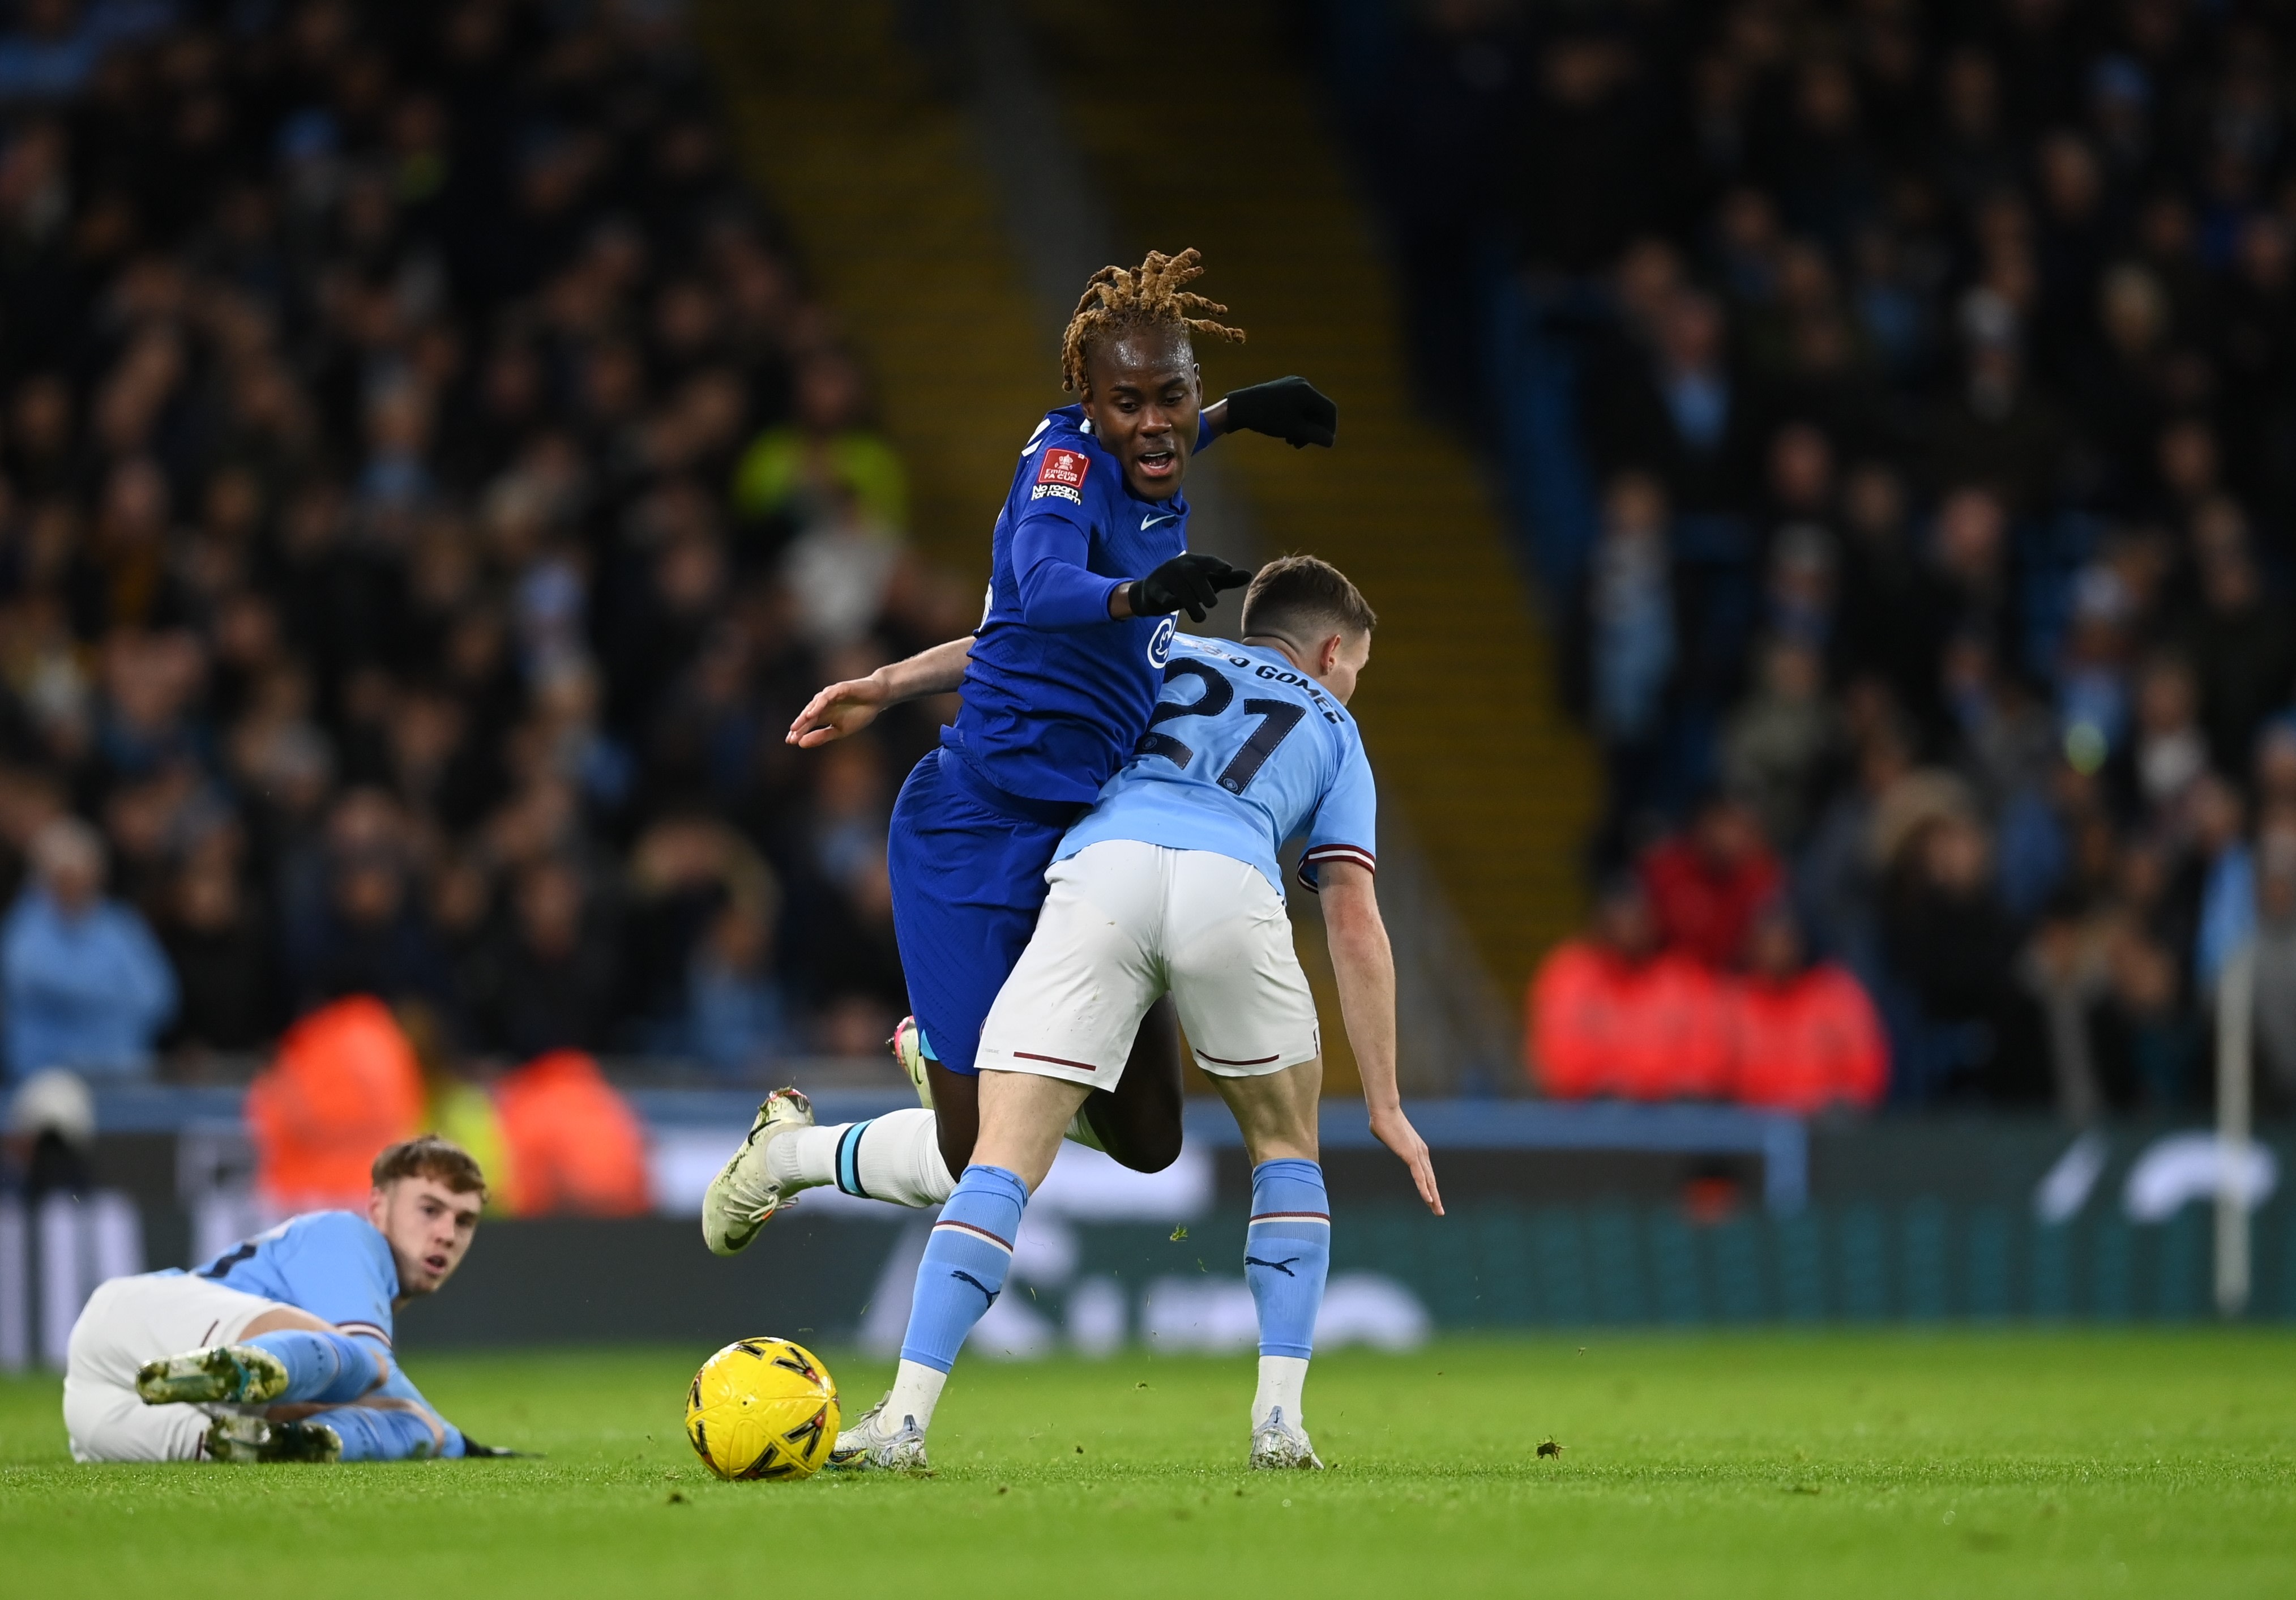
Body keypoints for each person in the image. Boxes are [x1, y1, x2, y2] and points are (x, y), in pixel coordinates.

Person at [700, 249, 1339, 1247]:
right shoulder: (1066, 469)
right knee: (977, 1155)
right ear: (1087, 400)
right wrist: (1139, 595)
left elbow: (1012, 626)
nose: (1156, 421)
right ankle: (786, 1155)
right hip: (979, 832)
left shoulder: (1146, 456)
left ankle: (1003, 1065)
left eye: (1175, 395)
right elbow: (1042, 587)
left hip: (1093, 835)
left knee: (1153, 1137)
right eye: (1127, 401)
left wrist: (1244, 412)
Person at [819, 557, 1441, 1474]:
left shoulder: (1161, 647)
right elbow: (1352, 916)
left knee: (1001, 1157)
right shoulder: (1337, 727)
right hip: (1232, 884)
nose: (1351, 682)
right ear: (1334, 651)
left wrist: (886, 682)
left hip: (1103, 869)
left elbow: (1012, 652)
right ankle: (1280, 1423)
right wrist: (1385, 1101)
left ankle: (904, 1420)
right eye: (1357, 667)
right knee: (1284, 1147)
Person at [62, 1135, 510, 1465]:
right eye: (429, 1209)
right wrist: (453, 1440)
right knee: (371, 1371)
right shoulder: (347, 1235)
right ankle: (238, 1366)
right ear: (378, 1206)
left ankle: (304, 1437)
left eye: (465, 1221)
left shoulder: (345, 1264)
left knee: (250, 1444)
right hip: (141, 1317)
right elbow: (375, 1367)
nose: (447, 1234)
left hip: (99, 1407)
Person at [1, 817, 176, 1083]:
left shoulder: (120, 924)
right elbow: (33, 979)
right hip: (43, 1078)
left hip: (122, 1076)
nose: (76, 885)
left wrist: (88, 998)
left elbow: (157, 997)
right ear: (46, 878)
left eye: (85, 874)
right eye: (66, 876)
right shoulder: (25, 927)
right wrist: (113, 996)